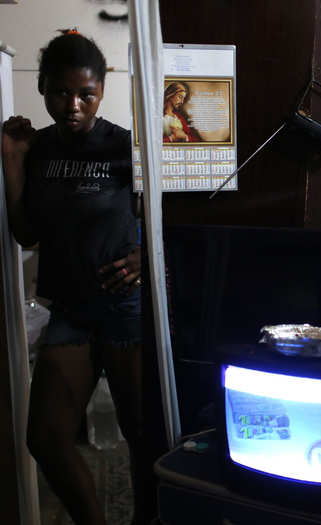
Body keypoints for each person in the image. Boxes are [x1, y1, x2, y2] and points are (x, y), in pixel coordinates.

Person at [1, 31, 148, 525]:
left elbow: (169, 219)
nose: (74, 105)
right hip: (71, 311)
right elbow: (24, 232)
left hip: (125, 309)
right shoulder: (36, 148)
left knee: (144, 435)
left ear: (101, 92)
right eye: (62, 92)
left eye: (86, 93)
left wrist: (146, 255)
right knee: (44, 437)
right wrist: (13, 162)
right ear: (43, 88)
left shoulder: (123, 147)